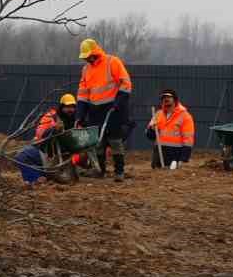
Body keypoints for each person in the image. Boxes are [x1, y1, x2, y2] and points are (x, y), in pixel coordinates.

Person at [77, 37, 133, 180]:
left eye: (89, 56)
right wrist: (81, 114)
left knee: (115, 140)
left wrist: (118, 102)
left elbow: (125, 83)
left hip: (113, 108)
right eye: (85, 57)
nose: (87, 59)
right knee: (97, 142)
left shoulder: (112, 62)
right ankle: (100, 170)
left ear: (95, 52)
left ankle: (119, 171)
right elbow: (83, 93)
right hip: (95, 109)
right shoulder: (86, 70)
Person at [146, 88, 195, 169]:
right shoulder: (158, 114)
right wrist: (152, 129)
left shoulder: (185, 116)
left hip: (175, 154)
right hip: (159, 154)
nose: (166, 99)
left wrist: (184, 158)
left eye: (168, 97)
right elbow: (150, 136)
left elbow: (188, 139)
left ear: (175, 100)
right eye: (163, 97)